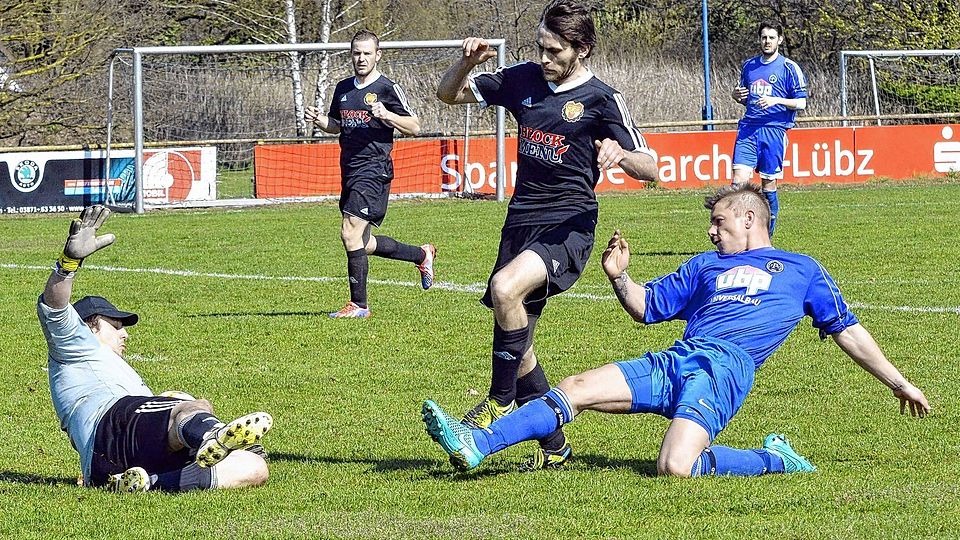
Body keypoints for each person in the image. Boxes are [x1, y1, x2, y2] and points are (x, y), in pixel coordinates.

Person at [421, 183, 930, 476]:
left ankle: (772, 459)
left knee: (674, 468)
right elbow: (647, 308)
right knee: (572, 389)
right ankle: (478, 444)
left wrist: (898, 381)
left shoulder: (801, 269)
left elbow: (849, 330)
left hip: (724, 371)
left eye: (719, 222)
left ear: (750, 218)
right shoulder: (703, 266)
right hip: (678, 358)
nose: (710, 230)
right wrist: (621, 278)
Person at [434, 0, 658, 470]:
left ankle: (498, 401)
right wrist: (467, 63)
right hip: (520, 222)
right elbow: (446, 95)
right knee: (523, 346)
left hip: (569, 224)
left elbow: (651, 167)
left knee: (504, 288)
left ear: (583, 49)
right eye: (540, 47)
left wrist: (621, 155)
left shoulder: (602, 99)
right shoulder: (522, 80)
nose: (544, 57)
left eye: (554, 50)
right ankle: (555, 446)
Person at [38, 205, 273, 492]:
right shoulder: (74, 346)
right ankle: (212, 433)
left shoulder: (117, 372)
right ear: (89, 326)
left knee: (254, 468)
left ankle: (144, 483)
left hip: (108, 462)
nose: (125, 334)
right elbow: (54, 306)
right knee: (190, 405)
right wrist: (68, 263)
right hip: (112, 423)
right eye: (116, 325)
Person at [305, 29, 434, 319]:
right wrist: (321, 120)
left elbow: (414, 127)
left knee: (349, 232)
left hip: (374, 169)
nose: (361, 58)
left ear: (378, 55)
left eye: (367, 53)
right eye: (356, 53)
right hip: (349, 169)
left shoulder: (388, 88)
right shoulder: (343, 89)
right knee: (361, 243)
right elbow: (337, 125)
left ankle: (359, 305)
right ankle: (421, 254)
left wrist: (387, 115)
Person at [730, 21, 808, 236]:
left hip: (774, 130)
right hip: (748, 129)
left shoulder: (789, 68)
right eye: (764, 37)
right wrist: (736, 96)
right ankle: (737, 235)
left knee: (768, 184)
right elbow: (745, 97)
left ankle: (766, 236)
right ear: (759, 39)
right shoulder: (749, 66)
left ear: (780, 40)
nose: (767, 41)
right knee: (738, 183)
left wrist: (777, 100)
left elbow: (801, 103)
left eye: (771, 37)